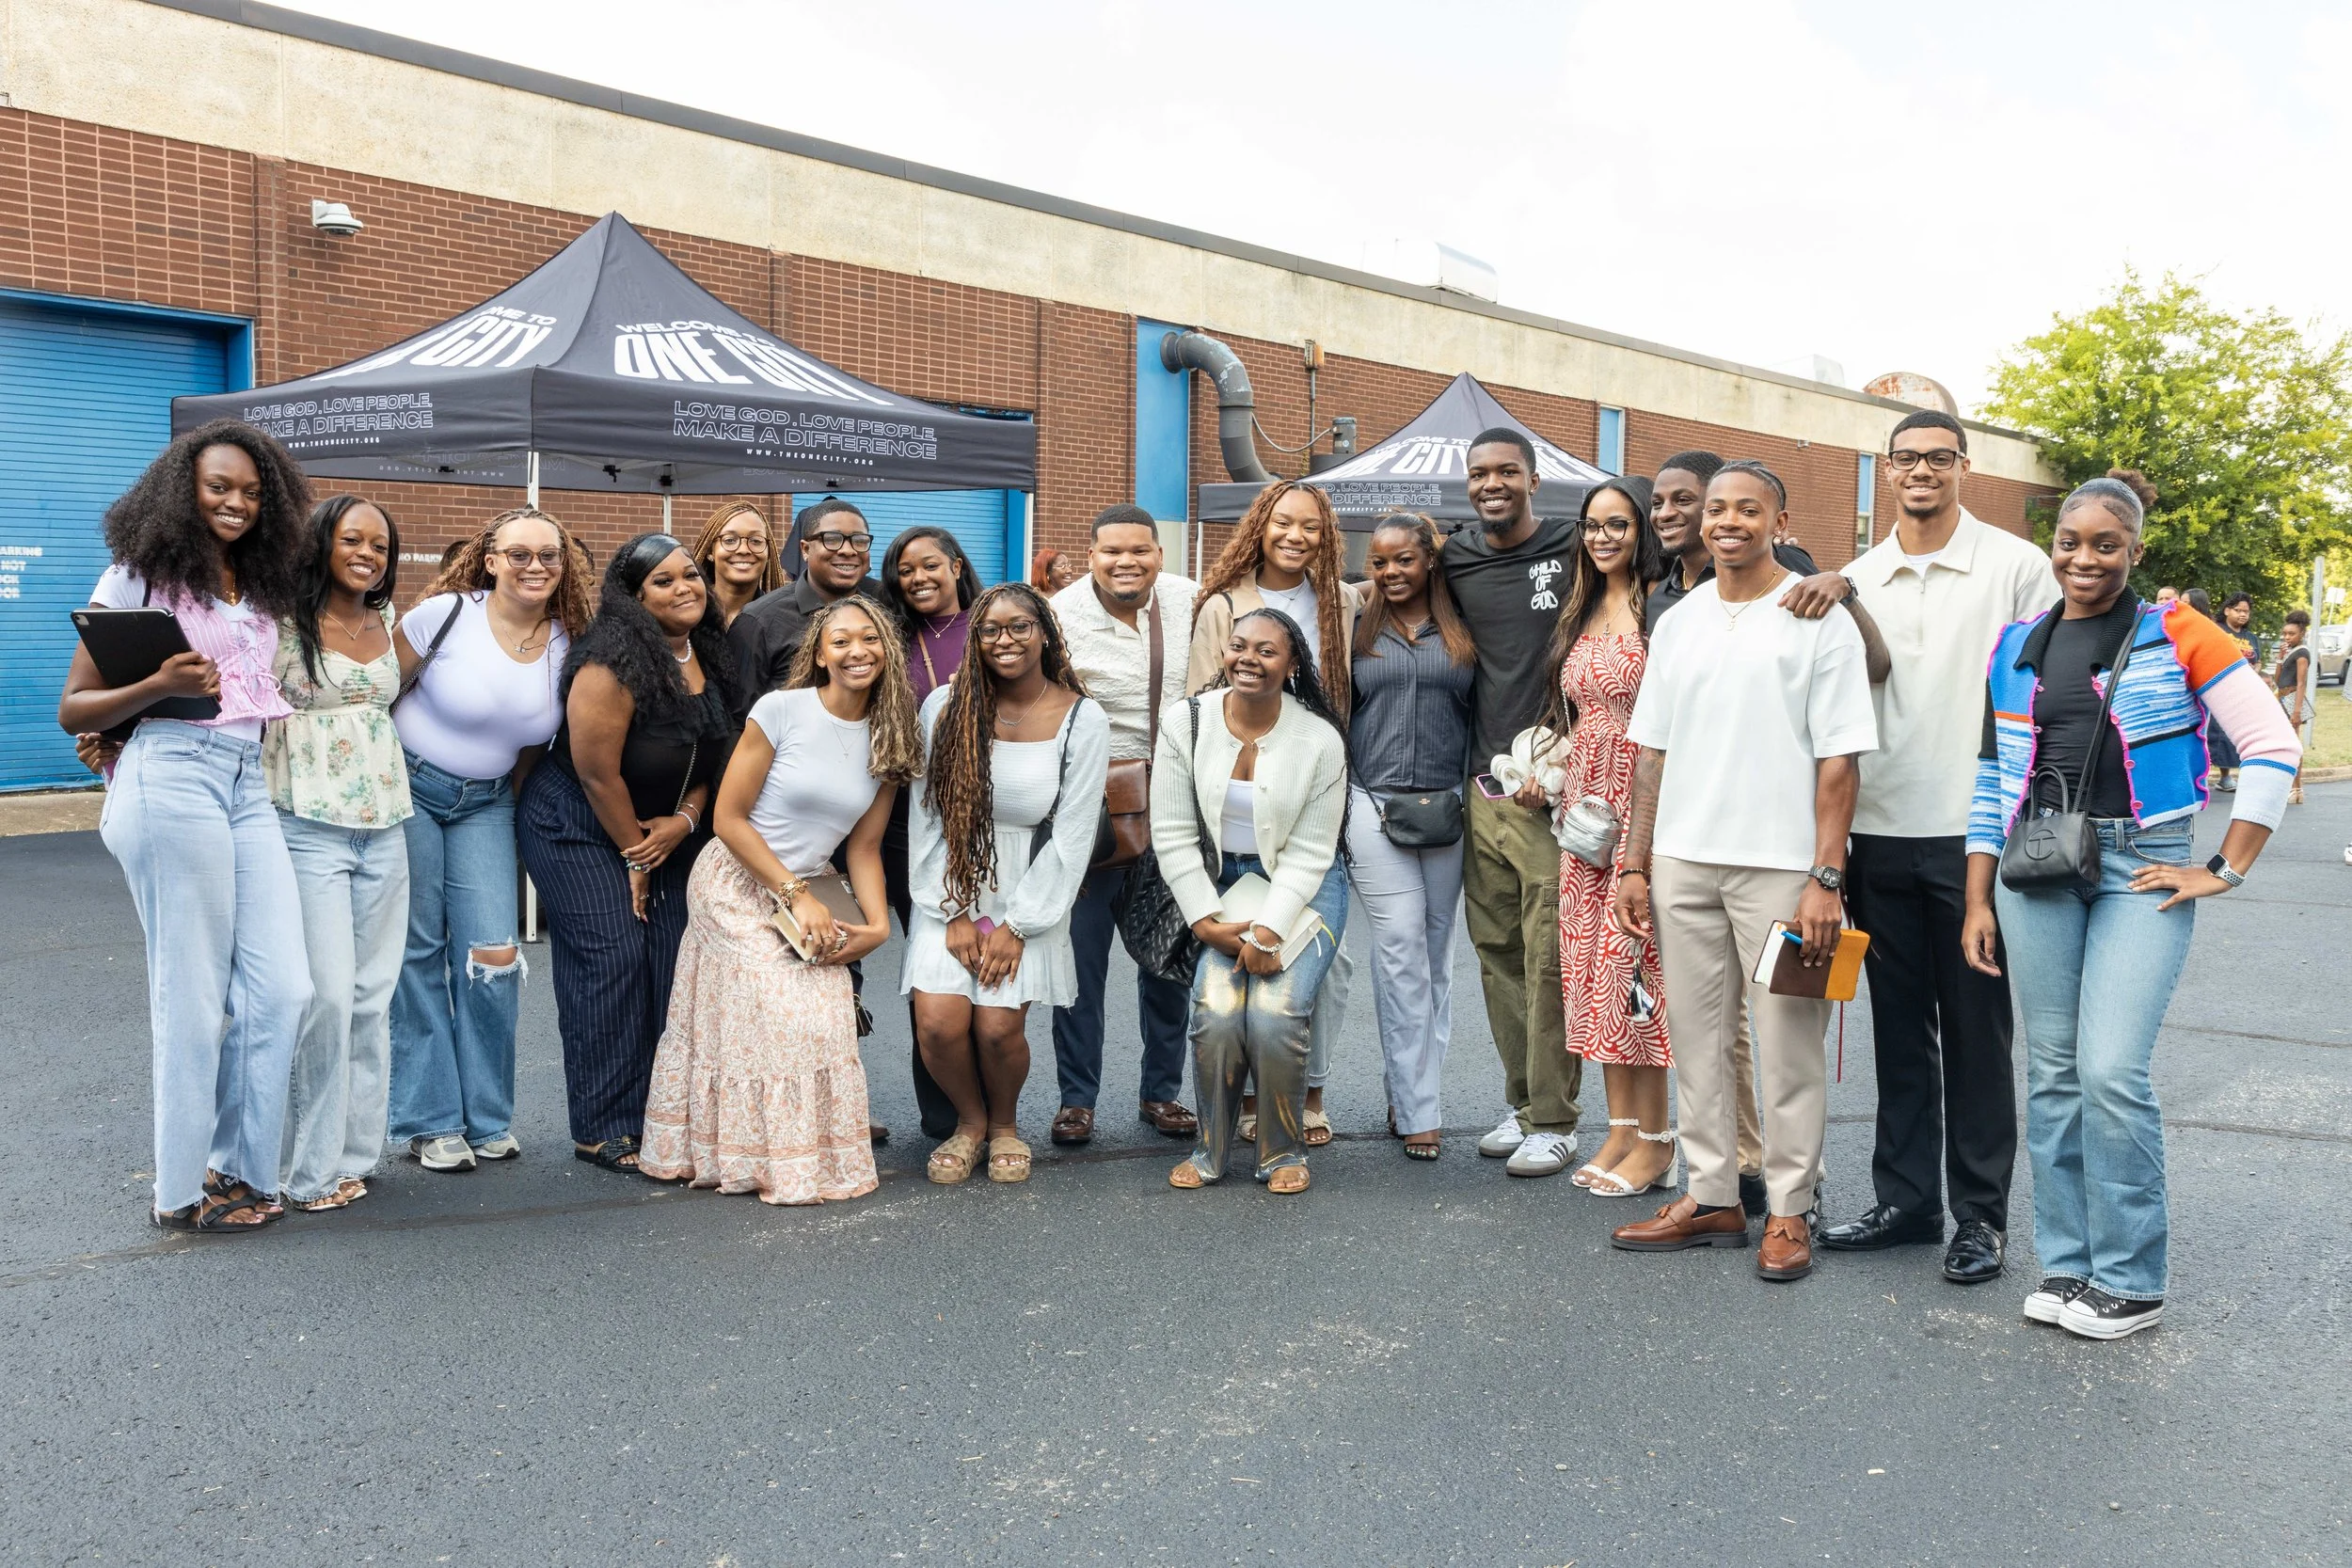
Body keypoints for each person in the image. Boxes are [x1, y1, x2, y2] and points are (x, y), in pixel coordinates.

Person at [1963, 471, 2298, 1338]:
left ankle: (2130, 1277)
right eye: (2071, 541)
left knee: (2111, 1070)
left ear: (2135, 552)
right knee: (2053, 1073)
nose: (2085, 557)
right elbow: (1991, 777)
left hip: (2141, 867)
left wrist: (2223, 867)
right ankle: (2067, 1265)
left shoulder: (2177, 630)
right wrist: (1977, 896)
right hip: (2034, 870)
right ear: (2055, 545)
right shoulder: (2017, 644)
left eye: (2106, 544)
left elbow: (2271, 744)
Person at [1798, 410, 2061, 1286]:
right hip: (1876, 830)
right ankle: (1907, 1202)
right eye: (1906, 458)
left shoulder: (2017, 568)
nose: (1921, 471)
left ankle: (1979, 1216)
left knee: (1979, 1033)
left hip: (1973, 835)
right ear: (1886, 468)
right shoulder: (1858, 576)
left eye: (1937, 458)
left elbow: (2044, 697)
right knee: (1900, 1032)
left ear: (1963, 466)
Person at [1608, 461, 1879, 1282]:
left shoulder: (1813, 616)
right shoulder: (1681, 620)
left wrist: (1824, 877)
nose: (1728, 521)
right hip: (1684, 859)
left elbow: (1840, 763)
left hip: (1781, 868)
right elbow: (1650, 753)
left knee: (1789, 1046)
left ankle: (1791, 1208)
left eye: (1747, 509)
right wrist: (1634, 862)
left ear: (1779, 520)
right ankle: (1714, 1194)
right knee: (1696, 1039)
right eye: (1716, 508)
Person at [59, 420, 314, 1233]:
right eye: (219, 487)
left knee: (284, 988)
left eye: (250, 490)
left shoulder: (260, 583)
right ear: (183, 489)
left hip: (245, 781)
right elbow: (75, 707)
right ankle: (181, 1190)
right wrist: (158, 683)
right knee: (194, 994)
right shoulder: (138, 575)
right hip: (172, 772)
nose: (237, 502)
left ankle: (240, 1166)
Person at [638, 594, 916, 1203]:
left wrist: (875, 925)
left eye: (869, 638)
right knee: (782, 1009)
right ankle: (748, 1157)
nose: (855, 650)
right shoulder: (782, 710)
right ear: (820, 653)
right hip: (737, 882)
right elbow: (729, 819)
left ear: (887, 650)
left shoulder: (890, 734)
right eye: (840, 639)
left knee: (828, 1013)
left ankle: (802, 1154)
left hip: (811, 887)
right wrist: (793, 893)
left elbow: (865, 848)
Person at [517, 533, 740, 1174]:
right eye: (663, 581)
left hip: (670, 828)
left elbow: (712, 750)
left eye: (690, 575)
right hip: (580, 824)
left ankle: (665, 1114)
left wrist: (685, 819)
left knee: (676, 959)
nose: (684, 588)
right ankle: (604, 1126)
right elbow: (597, 775)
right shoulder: (610, 660)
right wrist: (636, 857)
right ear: (635, 597)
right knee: (612, 955)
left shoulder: (709, 651)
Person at [389, 505, 593, 1173]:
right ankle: (430, 1119)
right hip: (410, 789)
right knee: (418, 951)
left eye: (549, 555)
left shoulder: (570, 640)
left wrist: (505, 791)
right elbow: (375, 694)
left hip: (487, 802)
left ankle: (486, 1116)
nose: (536, 566)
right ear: (491, 558)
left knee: (492, 954)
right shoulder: (443, 616)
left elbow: (542, 741)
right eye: (520, 553)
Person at [904, 584, 1108, 1184]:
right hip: (951, 881)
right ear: (976, 640)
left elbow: (1072, 835)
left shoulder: (1081, 716)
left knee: (998, 1026)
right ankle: (969, 1125)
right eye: (991, 629)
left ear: (1045, 632)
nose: (1006, 640)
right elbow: (927, 813)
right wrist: (954, 910)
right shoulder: (944, 707)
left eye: (1021, 627)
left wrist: (1020, 925)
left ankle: (1004, 1126)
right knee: (939, 1025)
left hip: (1033, 883)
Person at [1187, 480, 1363, 1145]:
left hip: (1318, 796)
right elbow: (1199, 704)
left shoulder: (1340, 603)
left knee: (1328, 957)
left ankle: (1306, 1092)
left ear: (1327, 538)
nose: (1296, 536)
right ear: (1260, 525)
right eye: (1283, 523)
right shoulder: (1224, 607)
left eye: (1311, 528)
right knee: (1238, 956)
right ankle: (1246, 1101)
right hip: (1240, 805)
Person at [1156, 608, 1350, 1195]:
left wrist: (1268, 932)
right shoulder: (1184, 723)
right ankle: (1210, 1150)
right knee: (1216, 1011)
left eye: (1268, 651)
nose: (1249, 659)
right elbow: (1171, 832)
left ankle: (1281, 1152)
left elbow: (1314, 851)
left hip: (1305, 886)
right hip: (1217, 886)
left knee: (1273, 1014)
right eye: (1239, 646)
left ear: (1293, 665)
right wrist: (1204, 921)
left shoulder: (1319, 738)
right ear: (1224, 654)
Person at [1440, 428, 1581, 1177]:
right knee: (1497, 954)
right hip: (1482, 784)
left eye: (1506, 472)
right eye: (1479, 473)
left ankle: (1557, 1118)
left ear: (1533, 478)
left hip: (1550, 790)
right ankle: (1524, 1104)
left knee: (1550, 955)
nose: (1491, 483)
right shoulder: (1454, 557)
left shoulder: (1574, 545)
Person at [264, 494, 411, 1213]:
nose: (367, 554)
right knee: (325, 996)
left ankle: (357, 1154)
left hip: (385, 826)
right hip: (308, 825)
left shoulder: (386, 621)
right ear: (322, 542)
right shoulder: (283, 622)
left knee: (371, 996)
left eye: (380, 546)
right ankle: (311, 1171)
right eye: (353, 539)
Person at [1535, 479, 1677, 1196]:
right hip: (1584, 813)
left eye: (1617, 523)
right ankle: (1620, 1131)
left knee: (1633, 976)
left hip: (1643, 804)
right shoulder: (1580, 604)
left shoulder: (1664, 602)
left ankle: (1657, 1141)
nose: (1603, 536)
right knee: (1594, 978)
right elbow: (1574, 713)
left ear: (1642, 528)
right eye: (1593, 524)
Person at [1048, 504, 1200, 1145]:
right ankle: (1076, 1100)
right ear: (1091, 555)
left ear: (1159, 554)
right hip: (1089, 810)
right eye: (1112, 551)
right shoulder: (1058, 614)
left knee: (1168, 959)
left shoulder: (1191, 603)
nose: (1126, 561)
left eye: (1140, 550)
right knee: (1079, 966)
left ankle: (1160, 1093)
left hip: (1174, 807)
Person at [1345, 515, 1475, 1161]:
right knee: (1398, 948)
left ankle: (1407, 1086)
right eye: (1379, 562)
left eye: (1403, 560)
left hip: (1447, 804)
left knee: (1435, 956)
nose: (1391, 572)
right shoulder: (1354, 625)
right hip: (1371, 804)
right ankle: (1421, 1107)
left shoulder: (1463, 625)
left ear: (1429, 560)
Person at [879, 525, 985, 1139]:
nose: (917, 578)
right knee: (929, 963)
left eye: (929, 566)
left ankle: (987, 1103)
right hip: (903, 823)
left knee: (979, 965)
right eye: (904, 570)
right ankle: (942, 1110)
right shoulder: (892, 639)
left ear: (955, 565)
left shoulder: (992, 623)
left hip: (987, 826)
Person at [726, 497, 882, 715]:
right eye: (832, 538)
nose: (848, 550)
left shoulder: (881, 616)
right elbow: (737, 720)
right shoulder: (758, 622)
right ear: (805, 549)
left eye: (859, 540)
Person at [689, 500, 783, 628]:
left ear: (769, 552)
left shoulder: (781, 621)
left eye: (756, 541)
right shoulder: (688, 611)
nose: (743, 550)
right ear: (710, 551)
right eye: (730, 540)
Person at [2275, 610, 2312, 805]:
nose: (2287, 637)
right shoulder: (2290, 652)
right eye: (2285, 633)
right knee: (2288, 744)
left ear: (2302, 634)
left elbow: (2301, 683)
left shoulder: (2302, 653)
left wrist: (2296, 711)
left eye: (2292, 634)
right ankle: (2293, 789)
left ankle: (2296, 788)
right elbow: (2277, 679)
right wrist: (2281, 657)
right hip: (2283, 697)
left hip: (2293, 700)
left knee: (2293, 746)